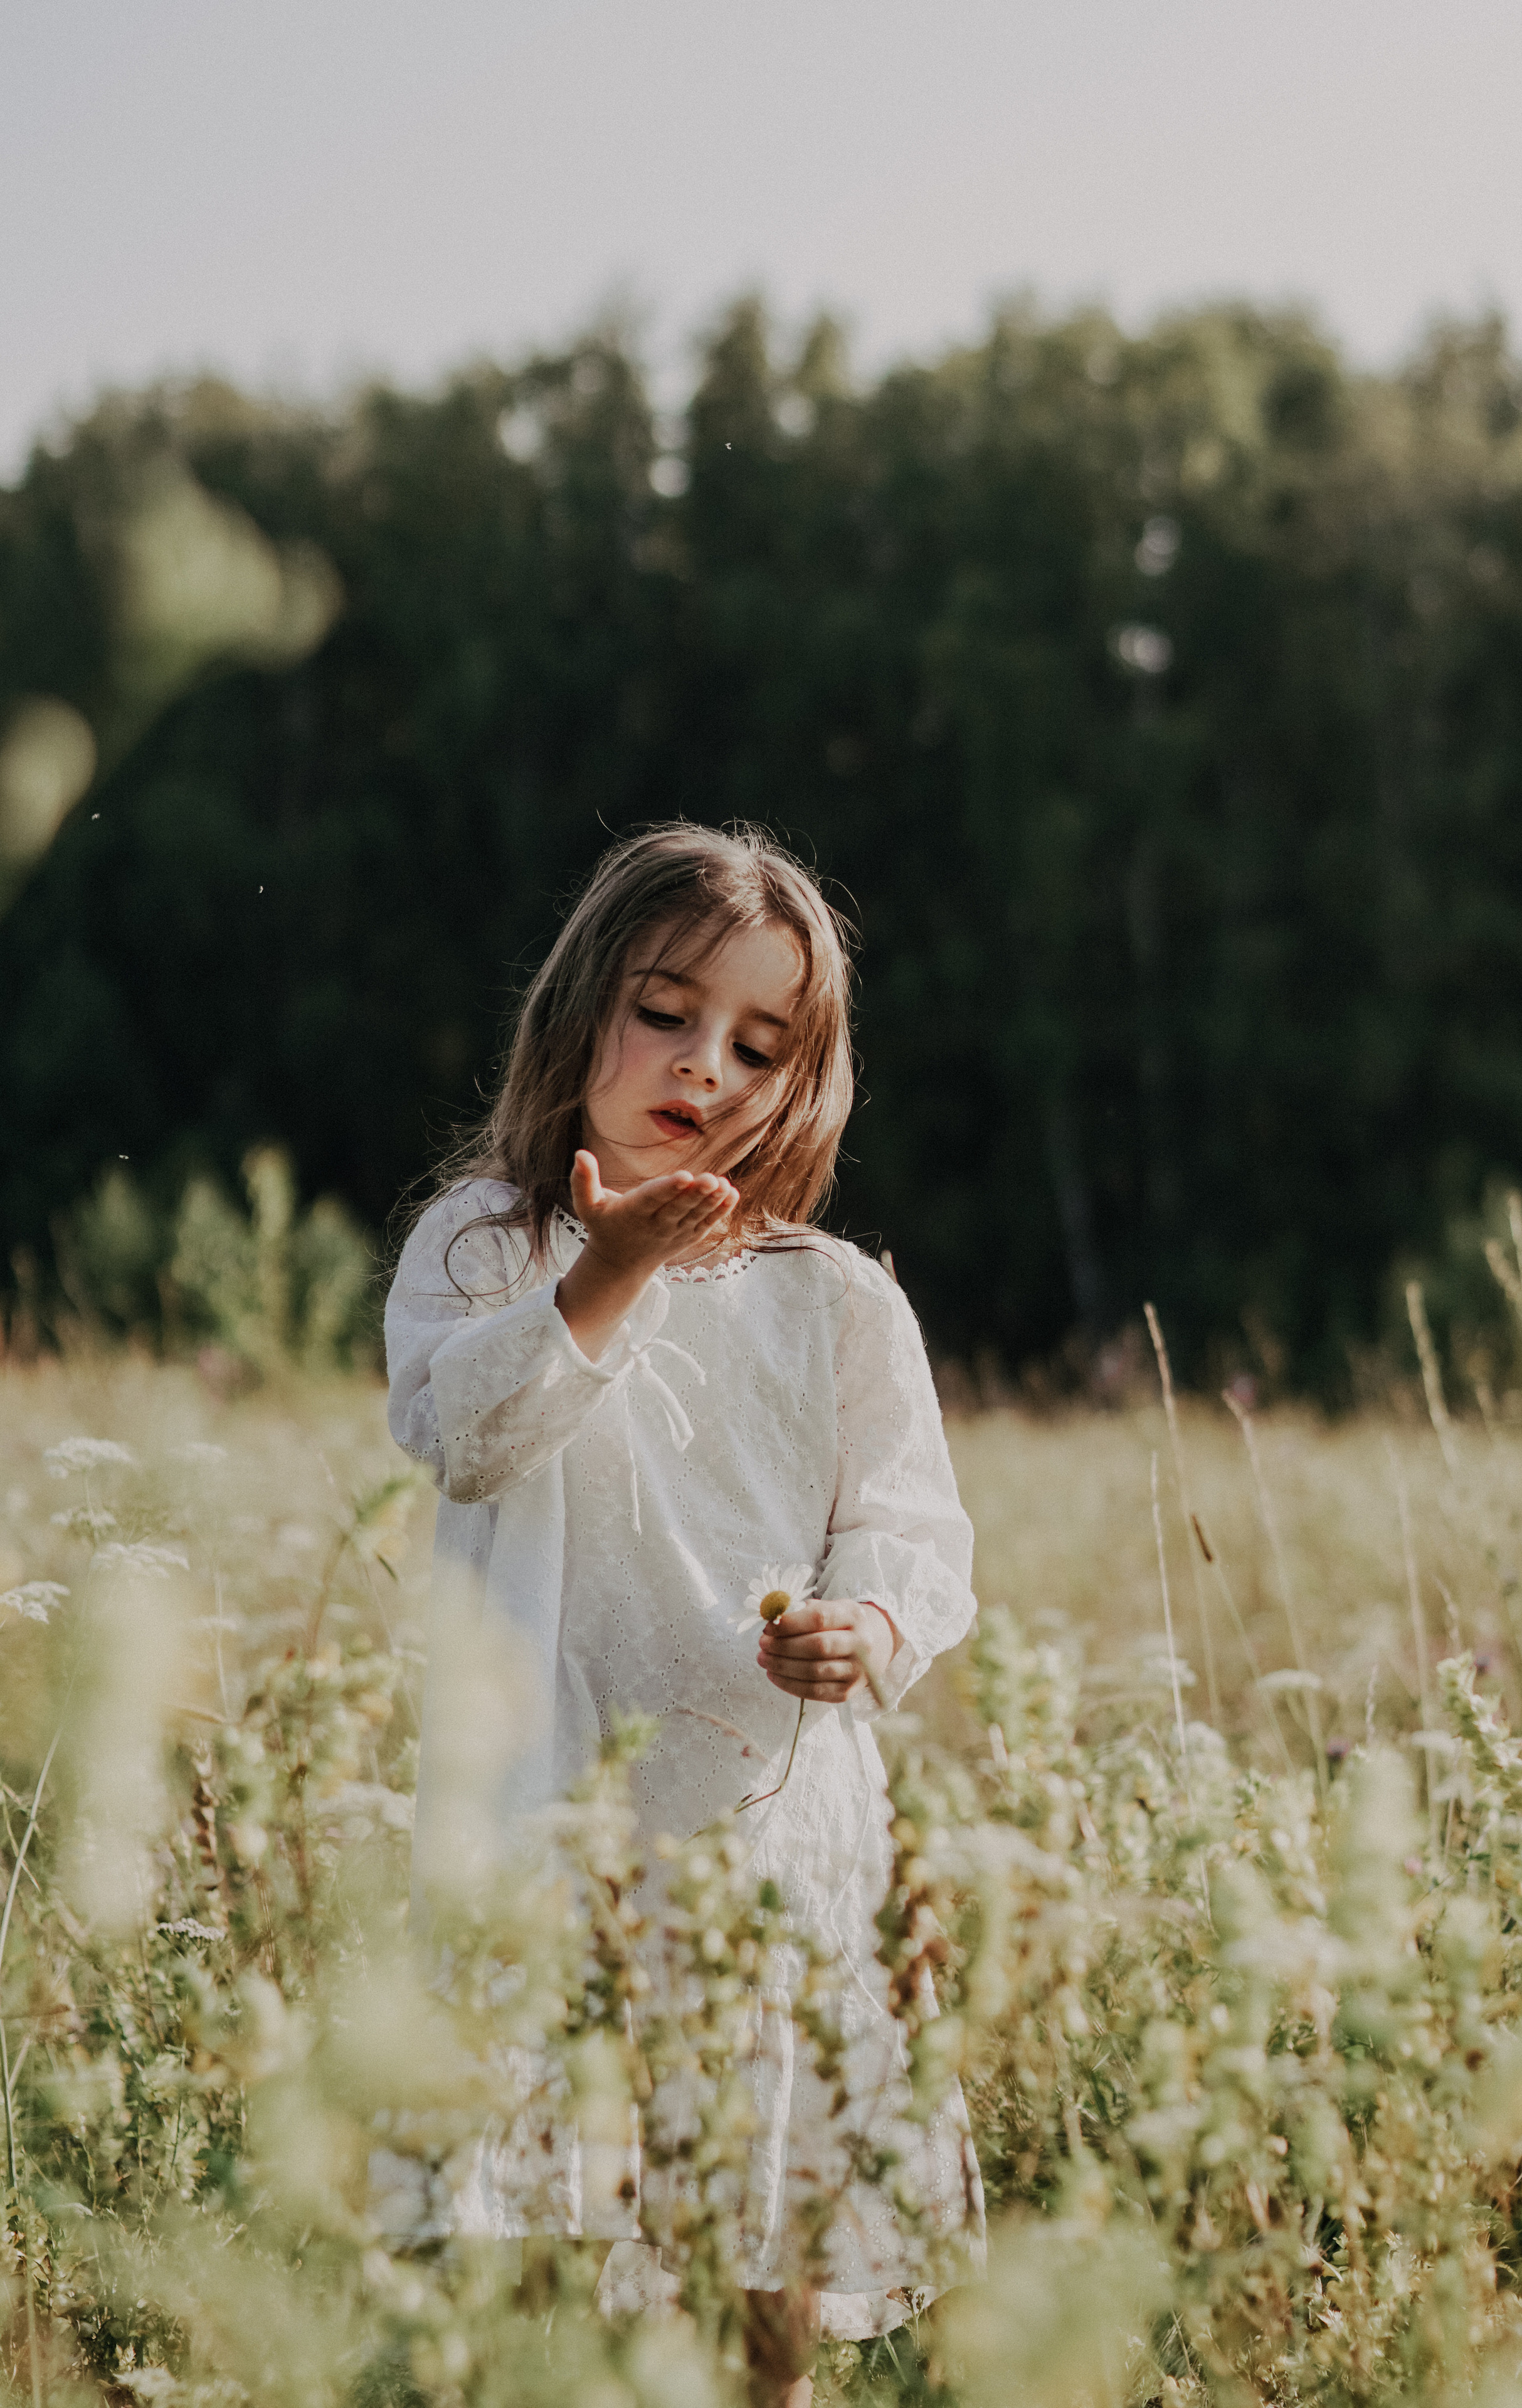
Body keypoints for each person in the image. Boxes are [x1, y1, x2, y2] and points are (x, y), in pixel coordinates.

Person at [384, 823, 983, 2404]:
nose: (702, 1064)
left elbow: (911, 1528)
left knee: (762, 2231)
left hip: (770, 1828)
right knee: (554, 2237)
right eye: (665, 1012)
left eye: (755, 1044)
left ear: (799, 1083)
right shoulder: (487, 1242)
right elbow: (462, 1434)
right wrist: (607, 1273)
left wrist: (869, 1627)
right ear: (583, 1005)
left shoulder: (830, 1294)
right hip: (552, 1813)